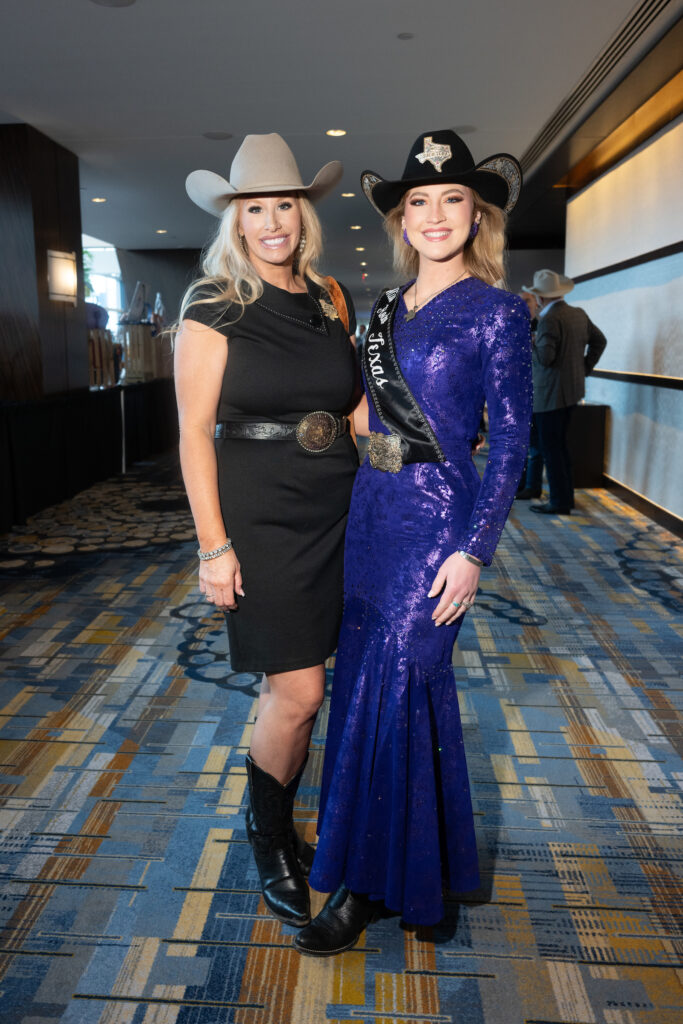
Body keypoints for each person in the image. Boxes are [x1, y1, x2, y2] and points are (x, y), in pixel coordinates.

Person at [294, 129, 532, 956]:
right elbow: (364, 416)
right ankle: (397, 873)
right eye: (418, 202)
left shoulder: (501, 311)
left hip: (439, 521)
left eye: (451, 200)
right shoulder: (382, 310)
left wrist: (474, 551)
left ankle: (377, 882)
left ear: (477, 215)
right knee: (368, 686)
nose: (434, 215)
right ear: (402, 219)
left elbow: (509, 444)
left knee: (406, 678)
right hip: (372, 509)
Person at [174, 133, 360, 929]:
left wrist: (409, 473)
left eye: (285, 204)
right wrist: (213, 548)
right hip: (261, 510)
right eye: (256, 208)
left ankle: (297, 822)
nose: (273, 220)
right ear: (237, 220)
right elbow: (191, 433)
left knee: (333, 688)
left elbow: (353, 407)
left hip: (341, 502)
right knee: (298, 690)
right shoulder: (213, 303)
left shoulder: (329, 297)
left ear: (302, 213)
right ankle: (269, 835)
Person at [523, 269, 607, 515]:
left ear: (541, 298)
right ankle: (563, 498)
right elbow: (599, 341)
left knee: (552, 449)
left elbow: (546, 359)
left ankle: (559, 501)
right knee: (559, 448)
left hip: (550, 396)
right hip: (572, 392)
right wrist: (583, 369)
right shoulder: (577, 313)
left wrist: (531, 341)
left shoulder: (549, 319)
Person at [516, 288, 543, 499]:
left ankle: (532, 486)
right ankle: (521, 483)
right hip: (518, 390)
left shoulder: (543, 324)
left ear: (537, 303)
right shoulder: (515, 324)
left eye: (528, 300)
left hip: (540, 392)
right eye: (521, 300)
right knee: (519, 442)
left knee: (534, 444)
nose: (524, 304)